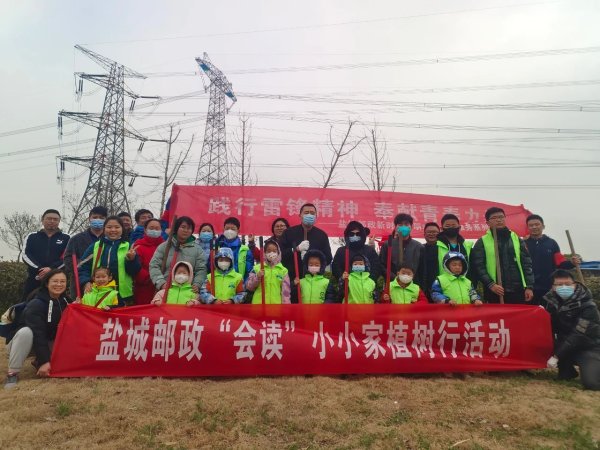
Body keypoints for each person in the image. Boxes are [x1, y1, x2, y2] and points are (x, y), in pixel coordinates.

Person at [5, 269, 71, 389]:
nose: (59, 284)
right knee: (26, 332)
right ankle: (12, 373)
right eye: (55, 281)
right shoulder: (36, 303)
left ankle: (38, 361)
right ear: (46, 283)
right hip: (23, 342)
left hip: (48, 341)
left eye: (62, 281)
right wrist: (45, 361)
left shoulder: (66, 301)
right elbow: (38, 334)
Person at [544, 270, 600, 390]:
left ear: (574, 285)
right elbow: (549, 327)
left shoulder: (588, 306)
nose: (564, 287)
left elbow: (580, 334)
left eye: (568, 284)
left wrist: (556, 356)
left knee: (592, 383)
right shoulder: (552, 302)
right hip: (565, 344)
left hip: (588, 347)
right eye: (559, 284)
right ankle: (567, 370)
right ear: (553, 287)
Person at [471, 207, 534, 304]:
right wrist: (491, 284)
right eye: (494, 218)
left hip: (517, 290)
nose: (498, 220)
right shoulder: (482, 242)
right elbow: (479, 266)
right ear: (487, 223)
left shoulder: (516, 238)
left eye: (501, 217)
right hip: (494, 291)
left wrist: (529, 287)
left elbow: (526, 263)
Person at [79, 216, 141, 306]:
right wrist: (86, 282)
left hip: (123, 296)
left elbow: (135, 272)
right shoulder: (95, 246)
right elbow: (82, 267)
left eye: (117, 227)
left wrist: (131, 260)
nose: (113, 230)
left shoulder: (129, 246)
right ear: (104, 229)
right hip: (98, 294)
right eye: (109, 227)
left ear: (122, 229)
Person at [280, 203, 333, 303]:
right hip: (293, 280)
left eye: (312, 213)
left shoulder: (321, 235)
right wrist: (295, 249)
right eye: (306, 212)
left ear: (316, 216)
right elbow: (280, 255)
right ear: (300, 215)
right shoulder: (289, 233)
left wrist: (313, 257)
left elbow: (328, 258)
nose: (309, 215)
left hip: (315, 282)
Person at [525, 214, 581, 305]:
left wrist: (572, 263)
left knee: (550, 311)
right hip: (529, 288)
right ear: (527, 227)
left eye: (537, 224)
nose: (534, 227)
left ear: (543, 226)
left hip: (549, 287)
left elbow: (560, 263)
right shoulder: (523, 244)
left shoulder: (552, 243)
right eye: (531, 225)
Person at [149, 216, 207, 294]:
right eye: (183, 227)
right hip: (166, 291)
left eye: (189, 228)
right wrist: (161, 283)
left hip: (188, 292)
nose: (186, 230)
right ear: (176, 228)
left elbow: (201, 269)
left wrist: (197, 284)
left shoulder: (197, 249)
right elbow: (154, 266)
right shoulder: (164, 246)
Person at [22, 209, 70, 300]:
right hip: (35, 277)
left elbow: (67, 257)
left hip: (57, 279)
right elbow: (26, 255)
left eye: (55, 219)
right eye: (49, 218)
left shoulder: (67, 238)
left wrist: (51, 269)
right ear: (42, 219)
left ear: (59, 221)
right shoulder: (32, 236)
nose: (52, 221)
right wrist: (40, 269)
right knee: (27, 303)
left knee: (58, 304)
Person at [63, 206, 108, 298]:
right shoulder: (76, 239)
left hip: (106, 283)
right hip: (81, 284)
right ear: (89, 219)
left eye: (101, 218)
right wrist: (83, 270)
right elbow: (68, 259)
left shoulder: (110, 239)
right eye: (95, 217)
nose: (98, 220)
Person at [379, 213, 424, 285]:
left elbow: (422, 269)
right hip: (392, 285)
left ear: (411, 226)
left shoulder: (419, 247)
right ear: (395, 227)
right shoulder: (388, 245)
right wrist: (395, 278)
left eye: (406, 224)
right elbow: (382, 265)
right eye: (400, 224)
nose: (403, 227)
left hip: (413, 286)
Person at [247, 240, 291, 304]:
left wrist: (286, 307)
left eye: (274, 251)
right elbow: (249, 287)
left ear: (278, 253)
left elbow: (286, 292)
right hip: (259, 305)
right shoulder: (257, 268)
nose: (271, 253)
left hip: (275, 306)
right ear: (264, 252)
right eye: (269, 251)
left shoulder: (283, 270)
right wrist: (257, 277)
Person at [133, 219, 165, 305]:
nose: (154, 230)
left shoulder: (165, 246)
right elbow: (136, 267)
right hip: (144, 287)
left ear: (161, 230)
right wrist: (151, 278)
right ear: (145, 230)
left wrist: (161, 280)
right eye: (151, 228)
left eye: (157, 228)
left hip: (162, 287)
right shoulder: (138, 245)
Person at [216, 217, 254, 282]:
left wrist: (244, 285)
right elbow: (210, 267)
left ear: (238, 231)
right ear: (223, 230)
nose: (229, 231)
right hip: (220, 284)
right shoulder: (217, 248)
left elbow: (249, 272)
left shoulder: (245, 250)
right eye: (227, 228)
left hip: (239, 285)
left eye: (233, 229)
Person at [421, 222, 441, 300]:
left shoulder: (444, 249)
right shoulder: (419, 248)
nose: (431, 234)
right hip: (423, 288)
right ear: (424, 234)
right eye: (429, 232)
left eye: (434, 232)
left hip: (441, 287)